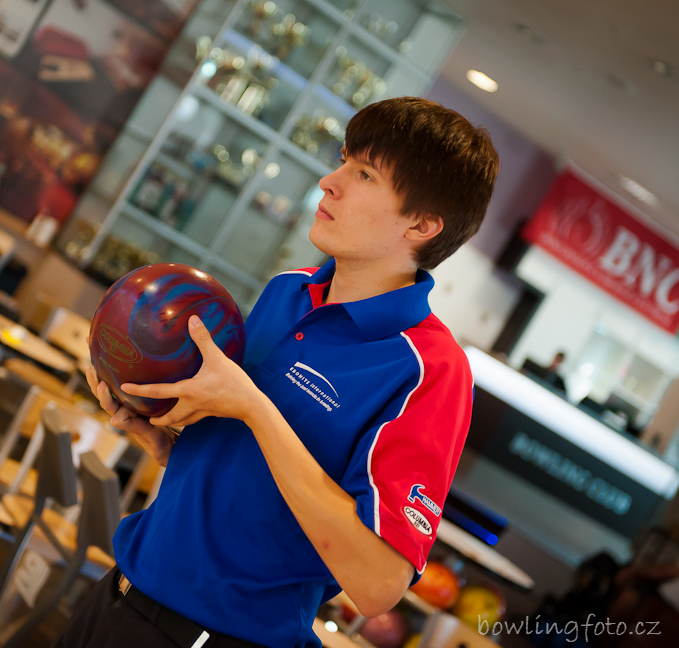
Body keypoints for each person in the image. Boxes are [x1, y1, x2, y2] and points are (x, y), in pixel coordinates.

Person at [67, 96, 499, 648]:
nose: (329, 181)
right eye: (343, 160)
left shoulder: (429, 369)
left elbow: (378, 585)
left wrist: (254, 408)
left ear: (422, 224)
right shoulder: (287, 290)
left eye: (364, 174)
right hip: (118, 595)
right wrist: (163, 440)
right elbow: (253, 486)